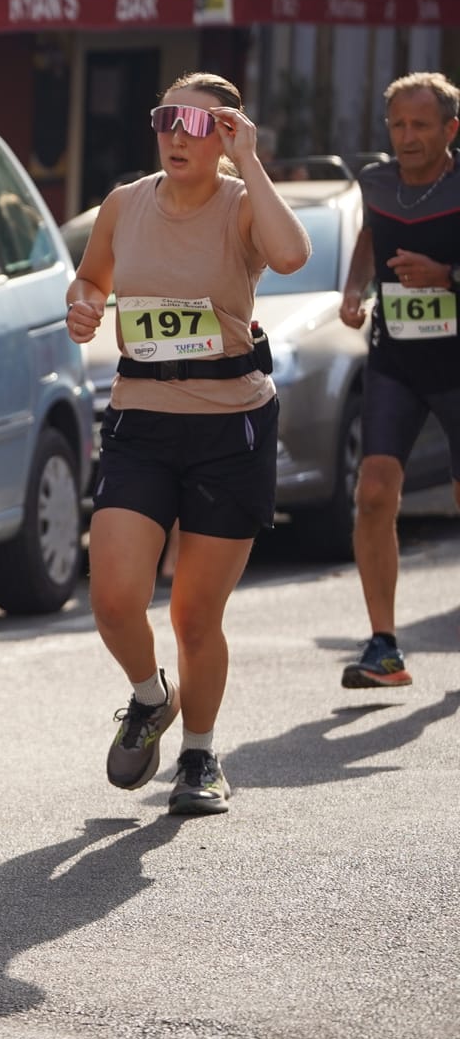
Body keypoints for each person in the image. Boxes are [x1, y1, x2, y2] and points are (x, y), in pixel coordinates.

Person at [66, 72, 310, 816]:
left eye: (199, 125)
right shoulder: (123, 203)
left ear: (228, 135)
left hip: (228, 423)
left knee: (196, 616)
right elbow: (90, 280)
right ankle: (150, 697)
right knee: (112, 598)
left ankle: (200, 756)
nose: (177, 133)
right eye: (168, 117)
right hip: (141, 416)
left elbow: (294, 254)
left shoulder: (242, 207)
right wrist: (83, 307)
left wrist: (254, 164)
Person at [336, 71, 460, 688]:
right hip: (397, 356)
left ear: (450, 129)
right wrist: (355, 287)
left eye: (420, 125)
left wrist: (446, 275)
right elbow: (370, 235)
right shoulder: (376, 180)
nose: (407, 137)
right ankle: (383, 645)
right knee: (375, 490)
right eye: (397, 124)